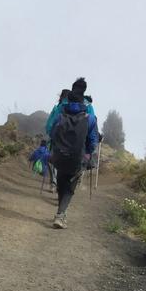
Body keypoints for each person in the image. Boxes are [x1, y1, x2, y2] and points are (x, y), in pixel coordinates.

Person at [49, 81, 99, 229]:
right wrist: (88, 154)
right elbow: (93, 141)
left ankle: (60, 213)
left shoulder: (60, 115)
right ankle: (60, 215)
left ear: (68, 100)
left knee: (61, 184)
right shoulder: (89, 118)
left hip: (59, 155)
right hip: (77, 157)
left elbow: (52, 133)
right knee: (70, 188)